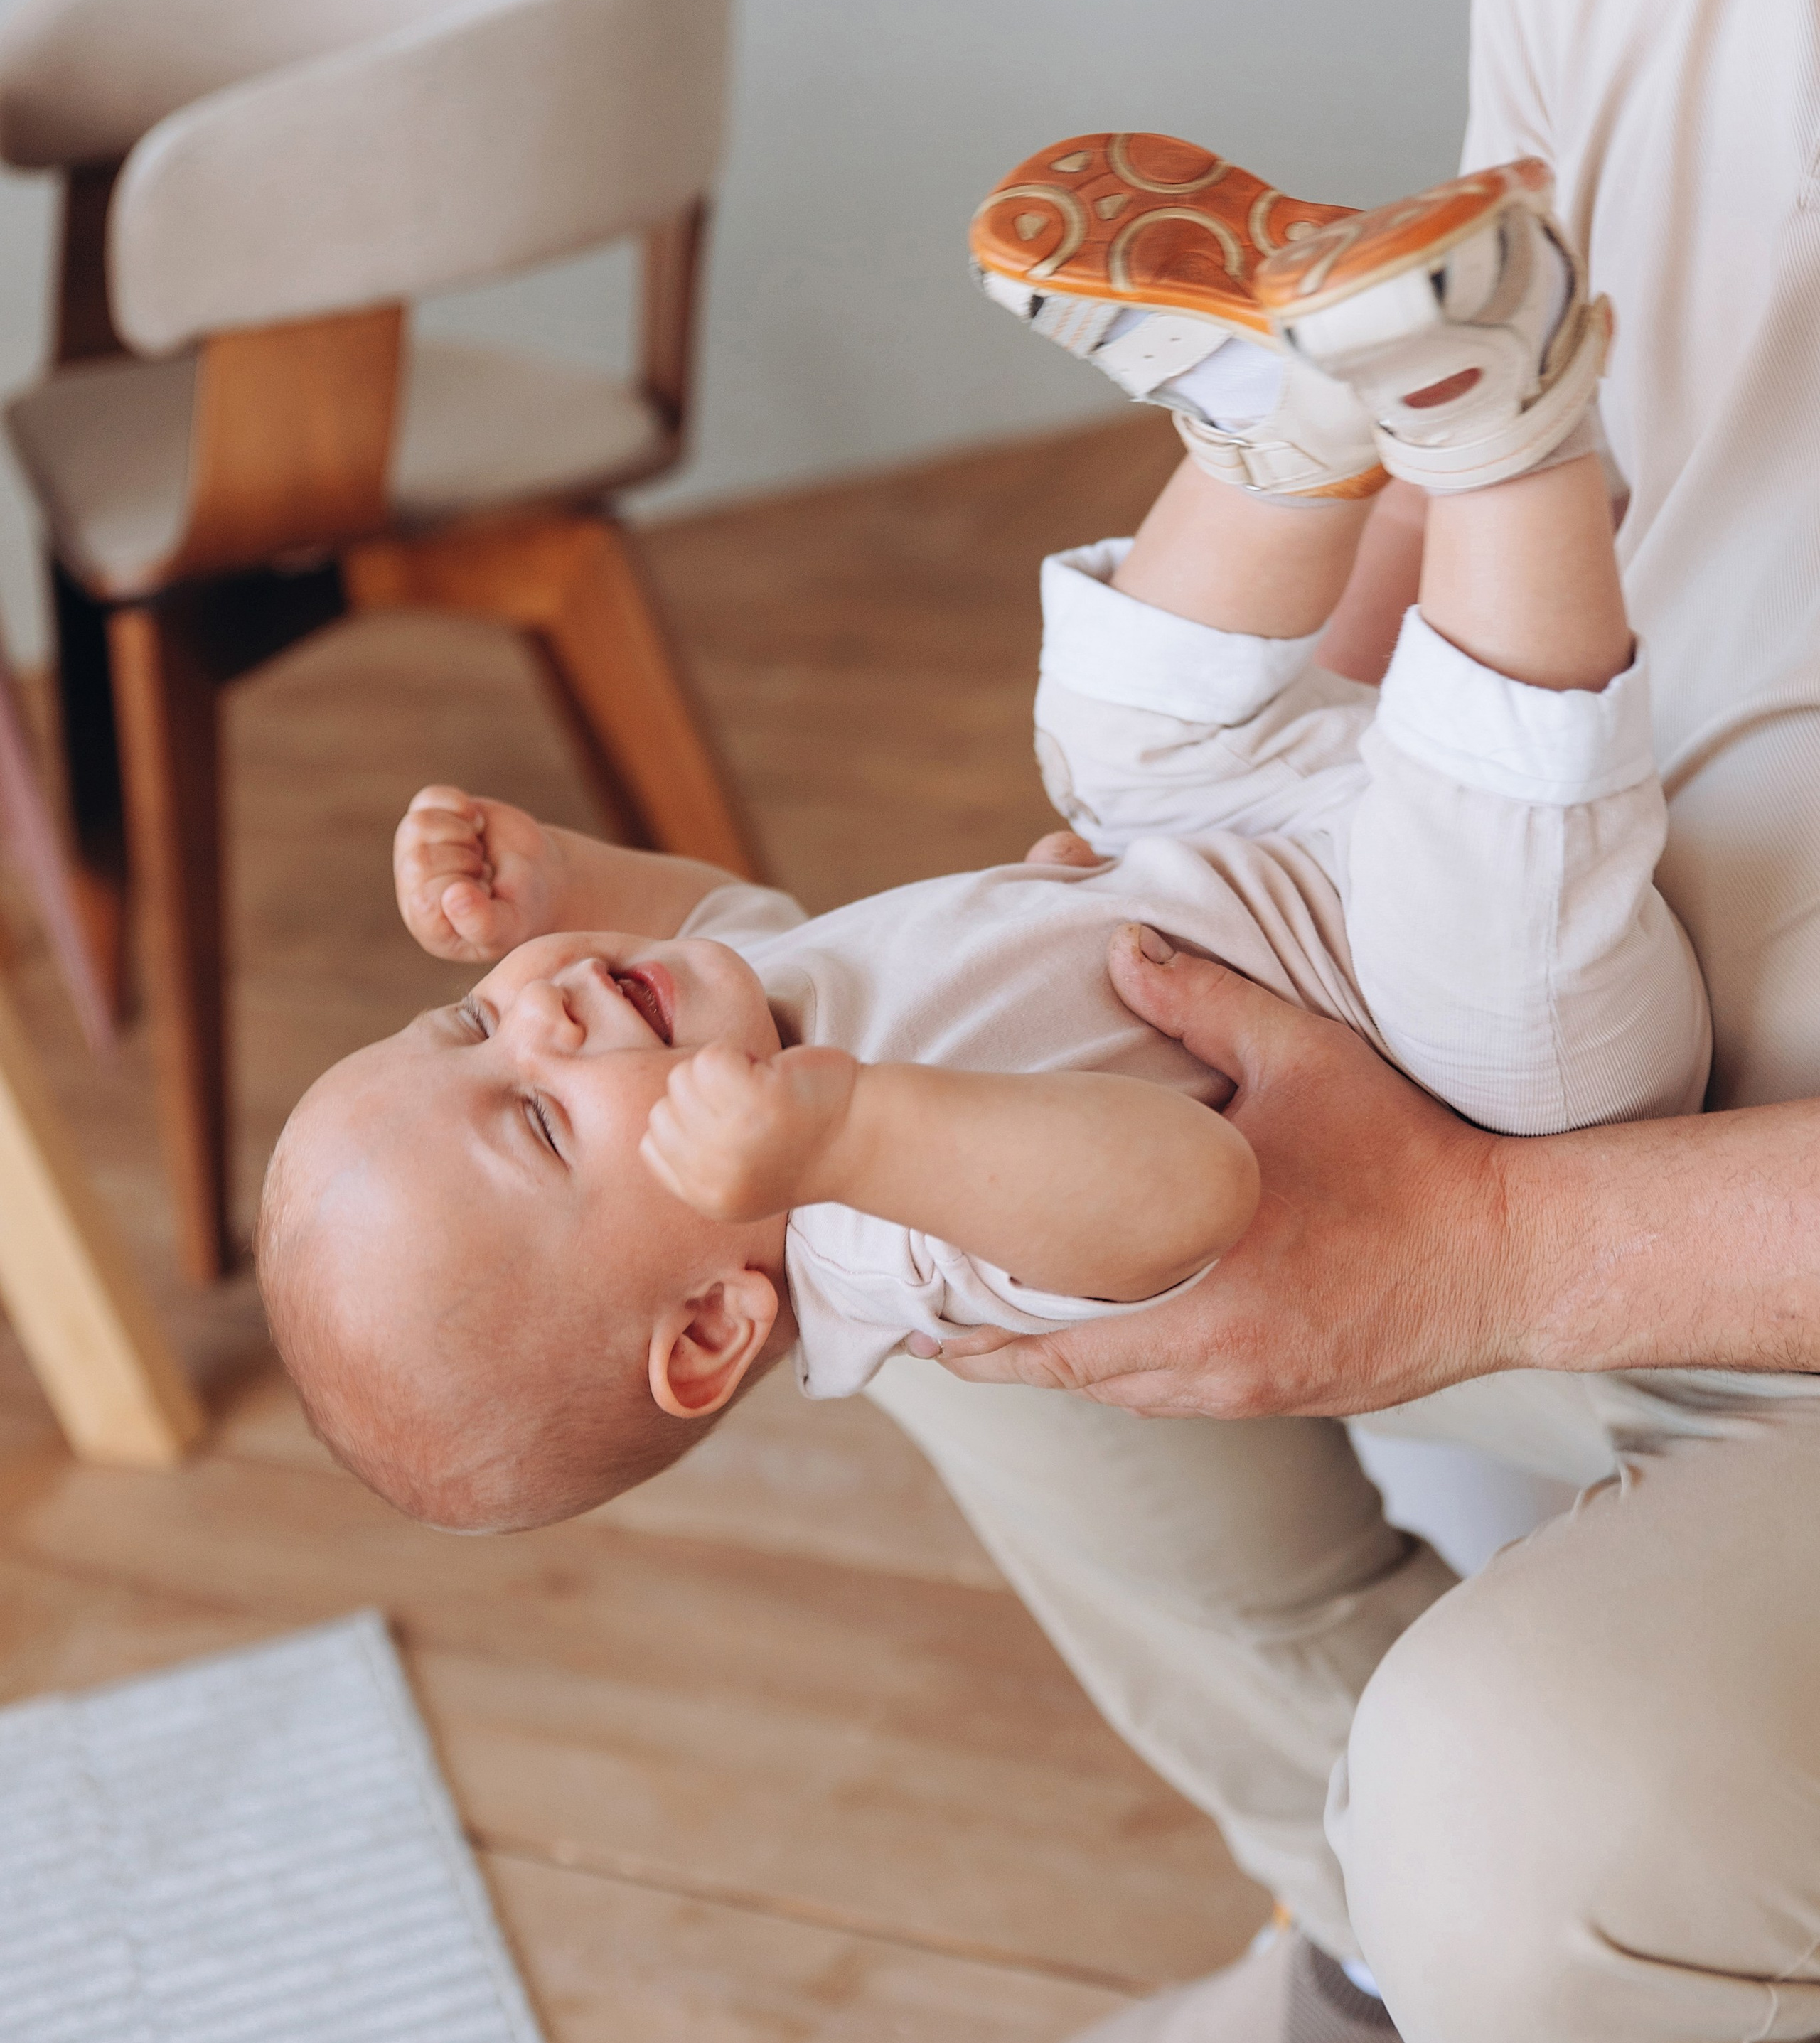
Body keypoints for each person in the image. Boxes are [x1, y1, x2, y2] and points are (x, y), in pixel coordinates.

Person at [869, 0, 1820, 2043]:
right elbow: (1535, 456)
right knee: (929, 1157)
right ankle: (1373, 1923)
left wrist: (1488, 1252)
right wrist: (1241, 721)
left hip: (1681, 1160)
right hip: (1568, 983)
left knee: (1547, 1826)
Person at [255, 153, 1698, 1556]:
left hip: (1250, 862)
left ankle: (1288, 425)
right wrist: (856, 1137)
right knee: (1481, 906)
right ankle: (1498, 432)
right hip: (1477, 1058)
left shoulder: (740, 1029)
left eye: (466, 1017)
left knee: (1104, 741)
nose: (538, 1007)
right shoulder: (895, 1245)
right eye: (539, 1119)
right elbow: (1187, 1192)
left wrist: (556, 879)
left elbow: (708, 909)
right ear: (710, 1325)